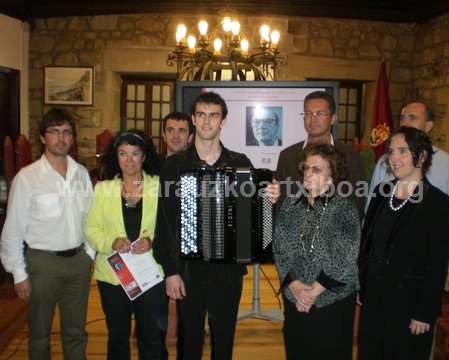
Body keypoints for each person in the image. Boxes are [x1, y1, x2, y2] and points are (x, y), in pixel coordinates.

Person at [153, 92, 280, 360]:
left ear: (223, 121)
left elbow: (258, 219)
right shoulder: (175, 165)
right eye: (201, 114)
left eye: (213, 115)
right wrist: (170, 271)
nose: (207, 121)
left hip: (228, 271)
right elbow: (164, 222)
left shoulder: (240, 162)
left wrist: (271, 201)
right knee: (189, 343)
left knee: (224, 341)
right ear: (193, 119)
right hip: (188, 270)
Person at [0, 108, 94, 360]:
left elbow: (90, 218)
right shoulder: (27, 178)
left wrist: (90, 254)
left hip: (78, 264)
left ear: (73, 138)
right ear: (43, 137)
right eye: (54, 131)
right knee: (39, 333)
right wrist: (18, 274)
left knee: (76, 331)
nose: (61, 138)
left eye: (66, 132)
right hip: (42, 264)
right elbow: (12, 229)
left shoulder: (81, 175)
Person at [358, 126, 449, 360]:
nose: (394, 158)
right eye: (391, 151)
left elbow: (437, 262)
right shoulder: (382, 191)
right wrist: (362, 284)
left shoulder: (436, 202)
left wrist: (424, 312)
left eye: (402, 151)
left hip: (409, 304)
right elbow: (367, 242)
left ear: (421, 157)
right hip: (374, 298)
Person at [85, 129, 168, 360]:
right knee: (118, 337)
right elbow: (91, 229)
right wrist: (111, 241)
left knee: (151, 337)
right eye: (123, 154)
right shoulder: (103, 189)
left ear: (144, 156)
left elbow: (170, 229)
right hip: (113, 276)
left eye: (135, 154)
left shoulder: (161, 187)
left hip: (150, 274)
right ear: (116, 157)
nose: (129, 160)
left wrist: (151, 241)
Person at [368, 102, 449, 292]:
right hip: (383, 268)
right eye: (403, 117)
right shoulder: (385, 162)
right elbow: (371, 215)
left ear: (429, 126)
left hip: (424, 268)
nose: (405, 122)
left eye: (412, 118)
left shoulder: (448, 164)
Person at [273, 143, 360, 359]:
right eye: (306, 168)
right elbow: (280, 248)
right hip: (295, 297)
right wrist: (294, 284)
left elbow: (345, 256)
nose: (308, 174)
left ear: (332, 176)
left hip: (333, 300)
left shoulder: (345, 208)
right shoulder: (290, 205)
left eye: (317, 169)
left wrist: (313, 292)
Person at [276, 90, 366, 214]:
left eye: (320, 113)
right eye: (308, 113)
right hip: (295, 230)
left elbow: (358, 204)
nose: (313, 119)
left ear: (333, 118)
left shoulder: (350, 156)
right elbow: (281, 203)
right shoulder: (287, 156)